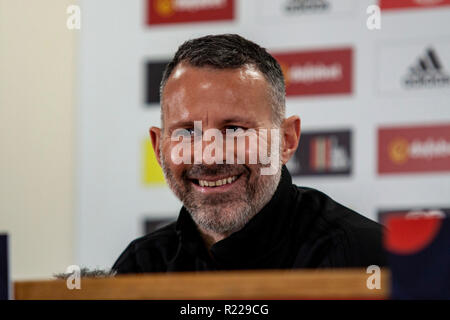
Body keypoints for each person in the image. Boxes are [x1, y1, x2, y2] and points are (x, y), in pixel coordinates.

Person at [113, 34, 386, 273]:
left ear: (286, 140)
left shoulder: (365, 259)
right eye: (187, 132)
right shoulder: (141, 267)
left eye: (234, 130)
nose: (209, 157)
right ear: (159, 147)